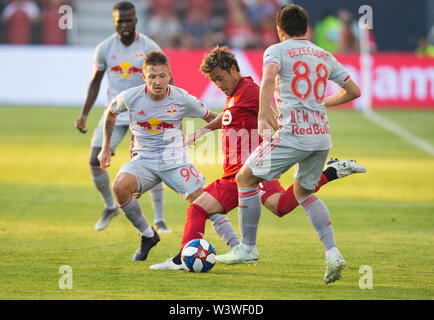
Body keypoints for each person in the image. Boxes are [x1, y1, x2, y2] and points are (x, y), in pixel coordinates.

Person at [149, 46, 365, 271]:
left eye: (220, 78)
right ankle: (329, 172)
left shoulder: (250, 91)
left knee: (198, 209)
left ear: (233, 69)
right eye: (213, 81)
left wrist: (282, 142)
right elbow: (228, 116)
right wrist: (203, 131)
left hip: (247, 173)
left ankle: (185, 259)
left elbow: (271, 116)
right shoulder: (235, 94)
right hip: (239, 174)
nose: (218, 85)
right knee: (279, 207)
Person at [219, 4, 362, 285]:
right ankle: (333, 253)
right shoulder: (324, 55)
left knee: (245, 178)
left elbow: (269, 78)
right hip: (321, 137)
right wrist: (322, 103)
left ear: (279, 29)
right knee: (304, 193)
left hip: (294, 134)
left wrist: (262, 114)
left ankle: (247, 248)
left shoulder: (276, 51)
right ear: (307, 29)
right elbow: (353, 91)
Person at [98, 50, 219, 261]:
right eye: (152, 76)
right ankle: (147, 235)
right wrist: (105, 147)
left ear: (169, 75)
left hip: (174, 160)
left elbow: (213, 117)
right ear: (144, 77)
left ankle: (237, 247)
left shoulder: (181, 98)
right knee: (119, 186)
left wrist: (207, 130)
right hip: (143, 161)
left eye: (162, 76)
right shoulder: (131, 96)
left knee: (205, 202)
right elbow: (111, 111)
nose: (157, 81)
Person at [74, 2, 170, 233]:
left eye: (129, 20)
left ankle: (159, 219)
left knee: (154, 162)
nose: (125, 25)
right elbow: (96, 81)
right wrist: (84, 114)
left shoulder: (149, 46)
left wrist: (169, 111)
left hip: (145, 113)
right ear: (114, 22)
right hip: (114, 114)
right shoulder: (105, 48)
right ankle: (110, 206)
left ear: (136, 21)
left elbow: (168, 79)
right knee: (95, 161)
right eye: (120, 21)